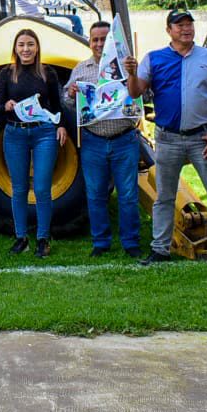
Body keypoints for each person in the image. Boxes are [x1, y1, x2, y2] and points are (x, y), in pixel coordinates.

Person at [124, 10, 207, 269]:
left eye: (189, 25)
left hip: (203, 138)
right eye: (179, 25)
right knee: (164, 197)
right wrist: (133, 73)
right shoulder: (154, 59)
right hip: (168, 139)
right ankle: (160, 249)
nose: (186, 29)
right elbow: (136, 91)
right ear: (169, 30)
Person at [64, 20, 142, 258]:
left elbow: (141, 94)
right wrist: (70, 93)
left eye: (104, 39)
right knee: (95, 194)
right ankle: (100, 242)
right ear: (90, 42)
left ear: (113, 42)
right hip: (93, 140)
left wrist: (132, 73)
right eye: (95, 39)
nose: (99, 44)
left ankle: (131, 242)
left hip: (124, 139)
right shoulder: (81, 69)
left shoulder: (127, 66)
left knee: (128, 195)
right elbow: (67, 100)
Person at [0, 28, 68, 258]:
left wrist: (62, 125)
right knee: (18, 189)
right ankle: (21, 238)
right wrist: (5, 106)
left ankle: (43, 239)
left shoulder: (48, 73)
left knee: (42, 188)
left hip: (44, 133)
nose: (26, 49)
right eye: (21, 45)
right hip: (15, 133)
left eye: (30, 44)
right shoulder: (6, 74)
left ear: (37, 48)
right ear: (15, 49)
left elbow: (57, 106)